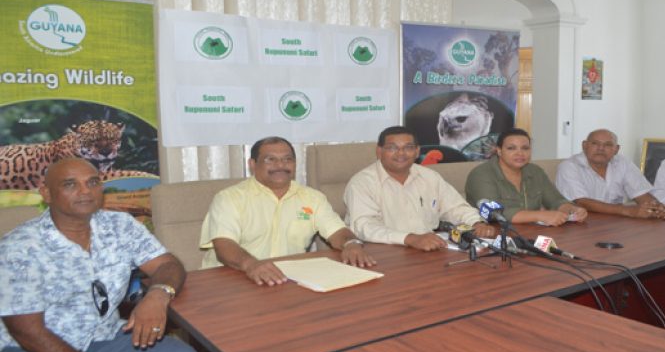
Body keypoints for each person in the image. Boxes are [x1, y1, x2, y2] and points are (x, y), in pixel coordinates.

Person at [0, 157, 198, 352]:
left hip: (103, 336)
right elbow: (28, 334)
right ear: (47, 193)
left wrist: (157, 295)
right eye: (70, 184)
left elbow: (167, 265)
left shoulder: (120, 225)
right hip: (31, 349)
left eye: (92, 183)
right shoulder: (18, 248)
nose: (85, 191)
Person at [200, 136, 375, 286]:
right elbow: (224, 246)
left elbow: (338, 232)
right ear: (253, 164)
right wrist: (251, 265)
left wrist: (351, 244)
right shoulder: (229, 198)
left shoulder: (312, 198)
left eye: (287, 159)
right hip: (231, 279)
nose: (280, 165)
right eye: (270, 159)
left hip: (286, 279)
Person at [344, 126, 496, 252]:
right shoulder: (362, 183)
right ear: (379, 151)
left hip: (428, 249)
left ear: (417, 152)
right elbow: (364, 227)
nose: (401, 153)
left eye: (408, 148)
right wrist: (410, 238)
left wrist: (476, 223)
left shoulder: (429, 177)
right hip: (383, 253)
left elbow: (455, 207)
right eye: (392, 148)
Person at [465, 128, 588, 226]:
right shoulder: (481, 174)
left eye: (525, 148)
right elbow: (495, 213)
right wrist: (540, 216)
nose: (520, 153)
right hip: (492, 235)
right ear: (499, 151)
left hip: (531, 233)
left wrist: (572, 209)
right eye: (511, 148)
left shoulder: (535, 172)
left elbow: (555, 200)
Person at [556, 129, 665, 219]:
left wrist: (654, 207)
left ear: (616, 149)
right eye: (595, 143)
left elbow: (641, 193)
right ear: (584, 145)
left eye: (608, 145)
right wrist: (628, 211)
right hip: (580, 222)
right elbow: (582, 202)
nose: (601, 148)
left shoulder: (622, 163)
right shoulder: (569, 166)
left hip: (615, 222)